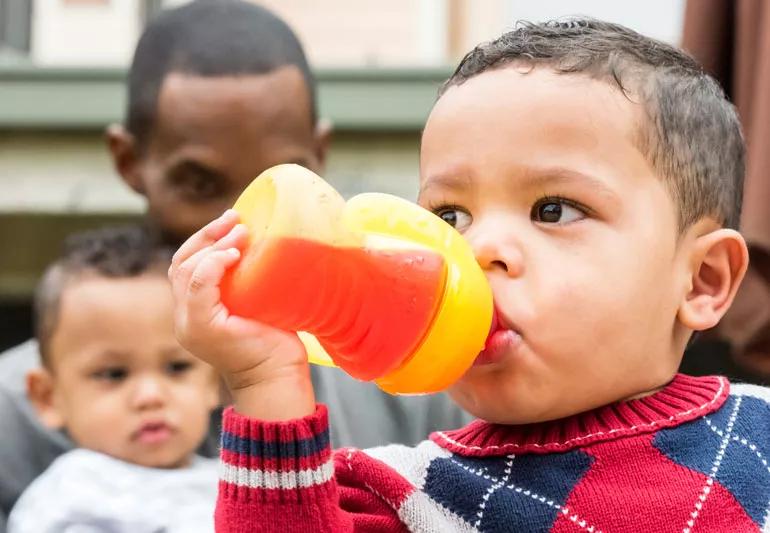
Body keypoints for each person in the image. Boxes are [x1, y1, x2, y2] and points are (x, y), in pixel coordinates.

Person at [170, 19, 770, 532]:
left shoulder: (759, 437)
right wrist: (262, 378)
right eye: (450, 216)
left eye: (552, 210)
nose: (478, 249)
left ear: (702, 280)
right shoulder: (400, 495)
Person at [0, 1, 469, 527]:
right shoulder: (16, 411)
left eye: (279, 187)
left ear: (320, 154)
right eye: (199, 184)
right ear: (129, 162)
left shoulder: (412, 372)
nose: (246, 232)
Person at [9, 226, 219, 532]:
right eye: (114, 374)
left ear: (213, 381)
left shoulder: (237, 483)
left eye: (176, 368)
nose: (151, 396)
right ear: (47, 397)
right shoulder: (68, 498)